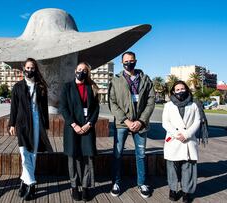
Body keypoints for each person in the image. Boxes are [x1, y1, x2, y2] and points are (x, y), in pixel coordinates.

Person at [108, 51, 155, 198]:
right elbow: (112, 102)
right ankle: (116, 182)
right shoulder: (116, 80)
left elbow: (151, 101)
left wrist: (141, 121)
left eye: (131, 60)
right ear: (122, 63)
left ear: (136, 61)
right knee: (117, 153)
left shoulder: (146, 79)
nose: (129, 63)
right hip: (122, 124)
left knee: (140, 154)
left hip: (140, 124)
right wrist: (126, 121)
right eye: (126, 61)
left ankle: (142, 183)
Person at [9, 58, 53, 201]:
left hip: (37, 122)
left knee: (33, 154)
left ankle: (24, 182)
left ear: (36, 69)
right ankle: (32, 183)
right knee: (24, 153)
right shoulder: (17, 87)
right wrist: (11, 124)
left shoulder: (40, 86)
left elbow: (45, 108)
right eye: (27, 68)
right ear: (23, 68)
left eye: (32, 68)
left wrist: (45, 125)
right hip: (22, 123)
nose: (29, 70)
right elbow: (13, 107)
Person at [59, 62, 100, 201]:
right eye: (79, 69)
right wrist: (74, 124)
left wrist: (89, 124)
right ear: (75, 70)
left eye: (84, 70)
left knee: (88, 158)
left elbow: (96, 109)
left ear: (87, 73)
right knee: (73, 157)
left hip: (87, 127)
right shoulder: (67, 87)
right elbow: (63, 108)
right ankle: (74, 186)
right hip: (72, 128)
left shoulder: (92, 87)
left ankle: (86, 187)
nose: (81, 72)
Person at [162, 81, 201, 203]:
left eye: (182, 89)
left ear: (187, 90)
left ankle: (186, 191)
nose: (180, 91)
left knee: (188, 166)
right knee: (172, 166)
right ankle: (173, 189)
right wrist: (176, 134)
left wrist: (186, 134)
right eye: (177, 89)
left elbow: (197, 121)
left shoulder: (194, 105)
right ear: (173, 91)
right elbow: (165, 122)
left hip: (188, 140)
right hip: (173, 139)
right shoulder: (168, 105)